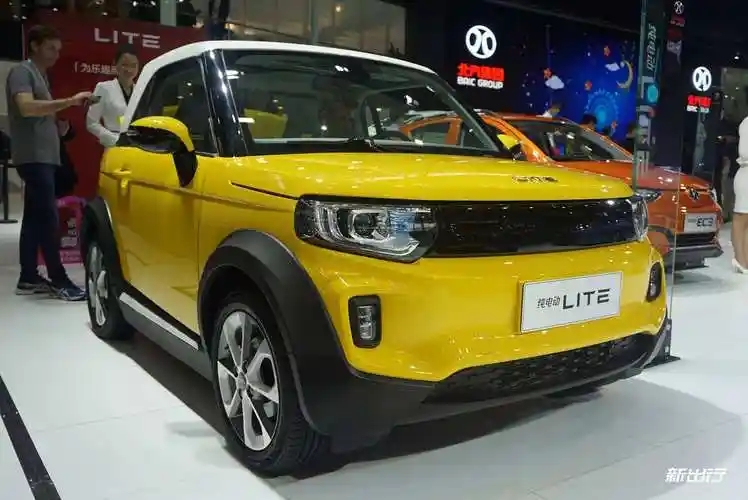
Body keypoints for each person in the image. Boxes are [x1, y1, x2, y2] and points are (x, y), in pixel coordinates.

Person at [5, 25, 92, 300]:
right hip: (34, 156)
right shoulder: (22, 72)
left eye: (58, 49)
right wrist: (68, 101)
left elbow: (38, 113)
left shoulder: (40, 75)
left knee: (34, 218)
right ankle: (59, 279)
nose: (56, 54)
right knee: (47, 218)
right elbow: (26, 107)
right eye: (51, 48)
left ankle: (28, 277)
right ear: (35, 45)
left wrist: (59, 127)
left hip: (44, 155)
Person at [86, 44, 140, 148]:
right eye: (124, 64)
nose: (129, 70)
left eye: (133, 65)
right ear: (115, 64)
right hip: (113, 146)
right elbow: (91, 123)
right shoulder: (102, 88)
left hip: (137, 148)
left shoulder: (141, 90)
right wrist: (115, 139)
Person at [732, 115, 748, 274]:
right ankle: (739, 259)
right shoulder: (747, 123)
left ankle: (746, 259)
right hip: (746, 175)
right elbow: (745, 152)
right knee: (741, 217)